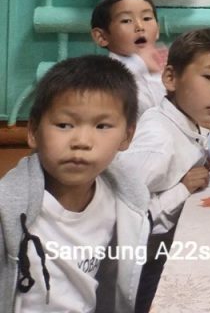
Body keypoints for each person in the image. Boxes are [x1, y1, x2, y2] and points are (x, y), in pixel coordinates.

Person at [0, 56, 149, 313]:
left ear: (127, 136)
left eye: (102, 126)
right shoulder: (8, 212)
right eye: (64, 125)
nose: (81, 141)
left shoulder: (124, 202)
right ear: (33, 131)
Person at [118, 27, 210, 313]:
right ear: (170, 78)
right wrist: (183, 188)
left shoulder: (181, 120)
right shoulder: (158, 143)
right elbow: (123, 217)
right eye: (209, 77)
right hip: (140, 269)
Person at [91, 0, 166, 115]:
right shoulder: (104, 78)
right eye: (126, 21)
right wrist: (142, 65)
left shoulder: (166, 69)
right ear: (102, 37)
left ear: (158, 30)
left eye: (147, 18)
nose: (140, 27)